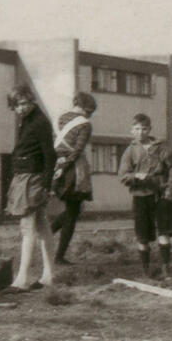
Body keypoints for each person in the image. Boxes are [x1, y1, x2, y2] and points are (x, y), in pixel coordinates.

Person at [4, 85, 57, 291]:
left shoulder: (39, 122)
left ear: (32, 101)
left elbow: (50, 155)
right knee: (42, 226)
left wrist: (46, 185)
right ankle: (49, 275)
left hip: (32, 180)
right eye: (17, 105)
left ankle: (22, 279)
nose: (22, 108)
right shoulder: (28, 120)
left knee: (28, 228)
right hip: (28, 177)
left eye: (25, 103)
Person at [119, 113, 172, 279]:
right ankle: (146, 271)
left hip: (162, 196)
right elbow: (123, 175)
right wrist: (137, 176)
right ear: (132, 130)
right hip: (140, 196)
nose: (140, 132)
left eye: (144, 128)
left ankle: (166, 270)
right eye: (137, 129)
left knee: (164, 232)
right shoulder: (130, 151)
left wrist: (170, 193)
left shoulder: (162, 148)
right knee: (142, 235)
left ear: (149, 129)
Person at [49, 92, 97, 265]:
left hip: (57, 164)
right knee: (72, 212)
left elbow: (54, 144)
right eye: (90, 111)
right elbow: (78, 150)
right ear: (86, 109)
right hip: (73, 170)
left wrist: (59, 166)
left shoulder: (59, 119)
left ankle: (46, 237)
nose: (90, 115)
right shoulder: (85, 125)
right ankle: (58, 256)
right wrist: (66, 165)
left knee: (72, 211)